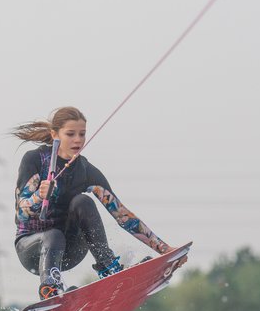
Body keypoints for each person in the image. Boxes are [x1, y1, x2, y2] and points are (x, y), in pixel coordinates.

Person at [12, 106, 171, 300]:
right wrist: (39, 196)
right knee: (53, 236)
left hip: (70, 252)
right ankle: (50, 289)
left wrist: (164, 250)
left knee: (83, 202)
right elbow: (22, 213)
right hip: (32, 250)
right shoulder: (34, 160)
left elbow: (123, 216)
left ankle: (108, 266)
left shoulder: (85, 170)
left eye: (82, 134)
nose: (78, 140)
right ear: (55, 134)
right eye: (70, 134)